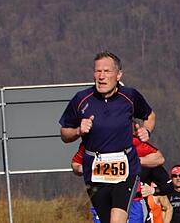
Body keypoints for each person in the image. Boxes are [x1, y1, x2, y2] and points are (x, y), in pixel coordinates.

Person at [59, 51, 156, 223]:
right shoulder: (81, 99)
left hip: (126, 167)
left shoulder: (130, 96)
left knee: (117, 219)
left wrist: (146, 131)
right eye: (98, 71)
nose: (101, 77)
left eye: (107, 71)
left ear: (118, 75)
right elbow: (64, 133)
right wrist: (78, 131)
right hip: (94, 169)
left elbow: (149, 115)